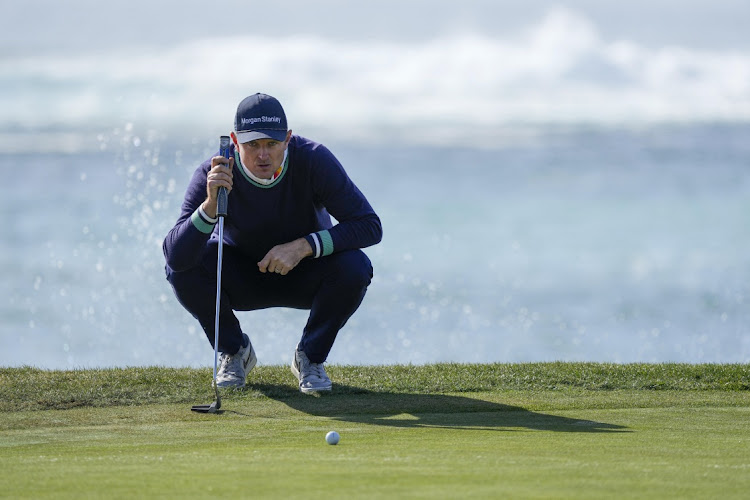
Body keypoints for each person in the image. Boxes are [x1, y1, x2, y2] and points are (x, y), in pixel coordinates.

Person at [163, 93, 382, 393]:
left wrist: (304, 246)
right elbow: (175, 258)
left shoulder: (313, 159)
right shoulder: (213, 174)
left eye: (271, 144)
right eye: (252, 145)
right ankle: (234, 350)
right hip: (241, 276)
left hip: (305, 271)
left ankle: (311, 356)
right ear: (235, 141)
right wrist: (210, 206)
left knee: (355, 267)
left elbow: (370, 226)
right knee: (186, 267)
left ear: (288, 139)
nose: (262, 155)